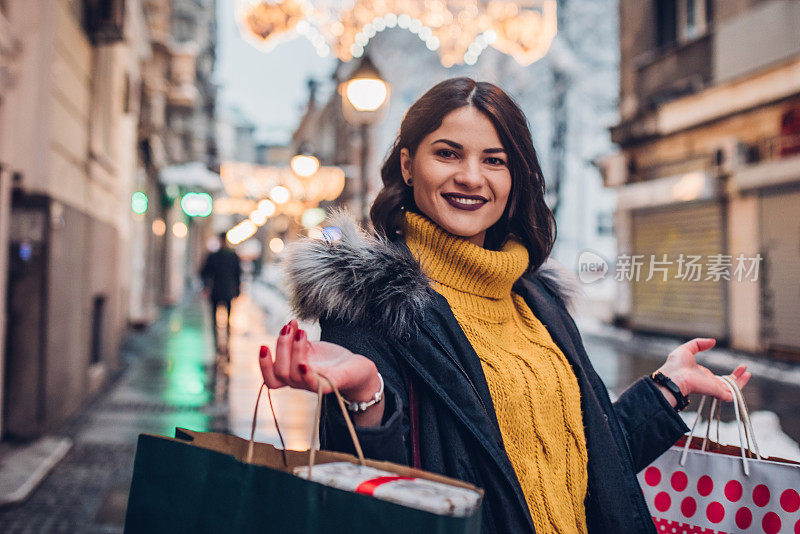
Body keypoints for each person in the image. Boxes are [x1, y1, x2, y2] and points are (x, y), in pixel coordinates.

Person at [257, 78, 752, 533]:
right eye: (448, 154)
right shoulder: (372, 303)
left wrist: (667, 389)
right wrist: (367, 393)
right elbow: (373, 494)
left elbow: (585, 462)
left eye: (495, 160)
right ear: (408, 165)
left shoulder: (535, 299)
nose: (472, 177)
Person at [200, 232, 241, 353]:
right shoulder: (233, 256)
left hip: (216, 291)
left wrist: (206, 287)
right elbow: (238, 274)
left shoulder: (214, 256)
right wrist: (237, 290)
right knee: (227, 318)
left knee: (215, 319)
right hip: (228, 291)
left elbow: (204, 272)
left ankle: (216, 341)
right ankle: (226, 340)